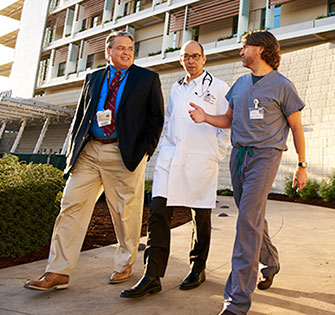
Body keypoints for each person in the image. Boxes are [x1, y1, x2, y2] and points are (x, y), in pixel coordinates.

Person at [24, 31, 164, 291]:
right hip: (89, 152)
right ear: (107, 51)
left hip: (123, 153)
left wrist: (144, 151)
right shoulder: (94, 78)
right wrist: (72, 152)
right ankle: (58, 271)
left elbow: (156, 119)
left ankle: (124, 264)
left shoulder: (147, 79)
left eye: (130, 49)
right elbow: (80, 117)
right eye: (121, 48)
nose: (126, 52)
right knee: (70, 205)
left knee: (125, 213)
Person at [188, 30, 308, 315]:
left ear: (261, 50)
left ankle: (237, 300)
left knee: (246, 223)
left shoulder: (282, 86)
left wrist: (302, 166)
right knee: (251, 217)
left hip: (266, 157)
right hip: (238, 155)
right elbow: (228, 120)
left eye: (244, 47)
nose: (240, 52)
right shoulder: (240, 85)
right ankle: (271, 262)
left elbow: (297, 127)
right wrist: (205, 118)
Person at [120, 40, 230, 298]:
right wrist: (163, 151)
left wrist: (216, 154)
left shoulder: (219, 87)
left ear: (204, 59)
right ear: (181, 60)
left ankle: (197, 267)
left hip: (202, 159)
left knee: (200, 217)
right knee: (158, 213)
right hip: (171, 159)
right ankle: (152, 275)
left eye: (195, 56)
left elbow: (227, 125)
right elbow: (168, 122)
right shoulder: (176, 88)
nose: (190, 61)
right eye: (186, 57)